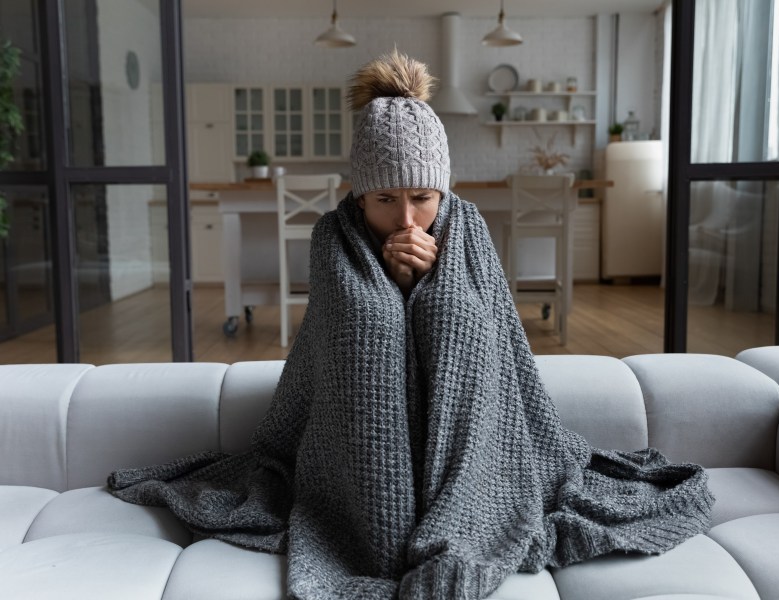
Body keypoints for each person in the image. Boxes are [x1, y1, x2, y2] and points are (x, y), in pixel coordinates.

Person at [108, 50, 713, 600]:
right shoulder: (333, 237)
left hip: (475, 434)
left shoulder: (466, 226)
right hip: (350, 447)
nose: (406, 217)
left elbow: (490, 337)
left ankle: (458, 503)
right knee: (370, 322)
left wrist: (427, 290)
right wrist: (393, 288)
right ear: (359, 197)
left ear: (442, 190)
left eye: (422, 197)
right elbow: (347, 338)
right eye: (384, 200)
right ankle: (379, 515)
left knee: (455, 317)